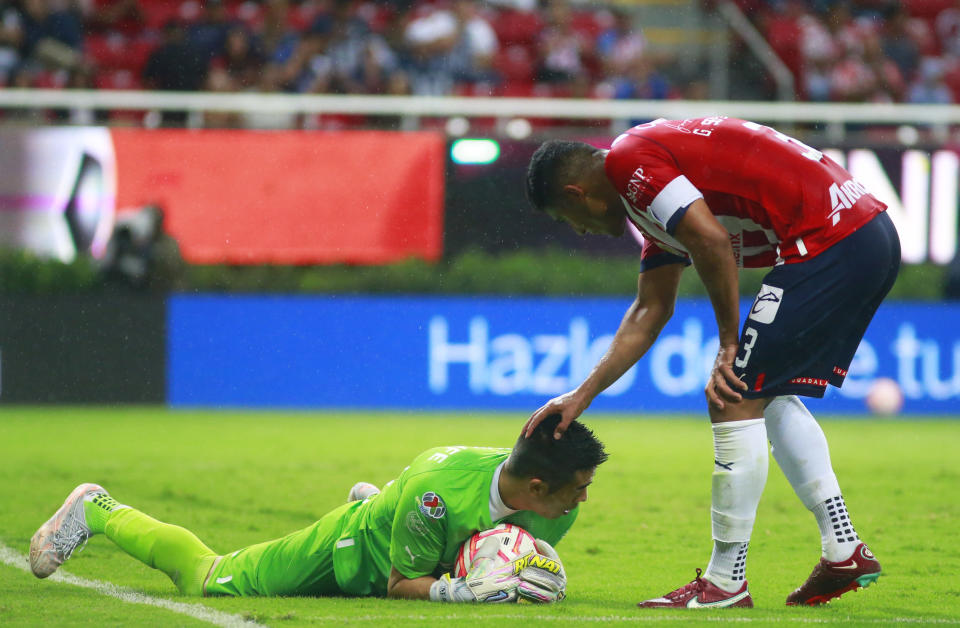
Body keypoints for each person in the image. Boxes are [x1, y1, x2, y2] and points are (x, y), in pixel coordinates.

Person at [523, 117, 899, 608]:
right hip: (862, 233)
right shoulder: (651, 203)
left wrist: (728, 344)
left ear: (576, 193)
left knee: (731, 395)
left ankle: (725, 582)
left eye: (568, 219)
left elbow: (712, 242)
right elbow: (649, 309)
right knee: (766, 391)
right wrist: (583, 394)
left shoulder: (630, 162)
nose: (579, 229)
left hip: (831, 238)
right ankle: (843, 547)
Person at [30, 415, 607, 603]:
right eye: (576, 487)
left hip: (414, 524)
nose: (584, 499)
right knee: (205, 578)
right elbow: (401, 583)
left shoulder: (555, 508)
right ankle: (96, 509)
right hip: (354, 553)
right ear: (535, 485)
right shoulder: (440, 489)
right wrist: (453, 592)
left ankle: (383, 502)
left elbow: (491, 556)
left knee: (413, 517)